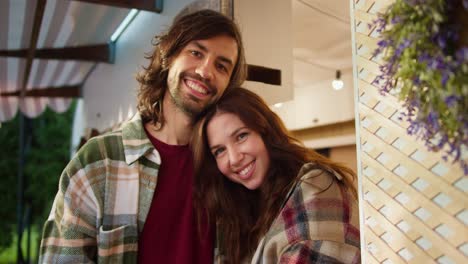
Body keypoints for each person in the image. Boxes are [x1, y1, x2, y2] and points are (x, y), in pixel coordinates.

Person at [39, 9, 247, 263]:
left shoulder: (231, 167)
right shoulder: (98, 161)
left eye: (221, 66)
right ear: (169, 55)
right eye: (196, 53)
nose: (205, 72)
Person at [191, 87, 361, 263]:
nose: (234, 159)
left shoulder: (316, 184)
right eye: (219, 150)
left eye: (241, 136)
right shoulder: (242, 211)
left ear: (266, 132)